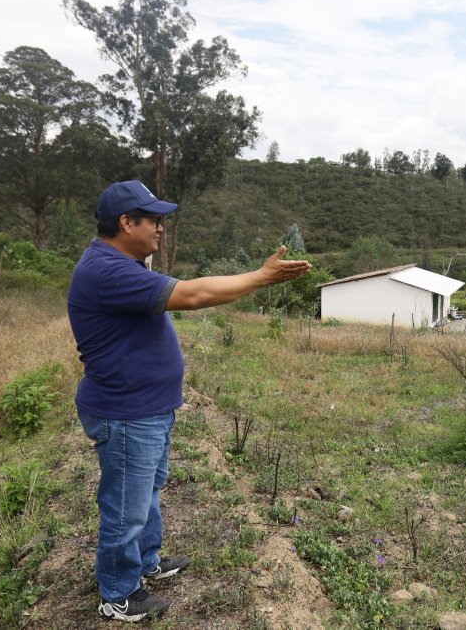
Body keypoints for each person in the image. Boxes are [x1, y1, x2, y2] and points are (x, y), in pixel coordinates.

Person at [68, 179, 311, 622]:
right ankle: (119, 593)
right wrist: (260, 277)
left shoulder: (125, 263)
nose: (161, 228)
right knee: (125, 504)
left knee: (146, 493)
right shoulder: (108, 270)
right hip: (127, 412)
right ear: (126, 222)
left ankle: (146, 562)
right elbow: (194, 295)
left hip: (146, 407)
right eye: (154, 220)